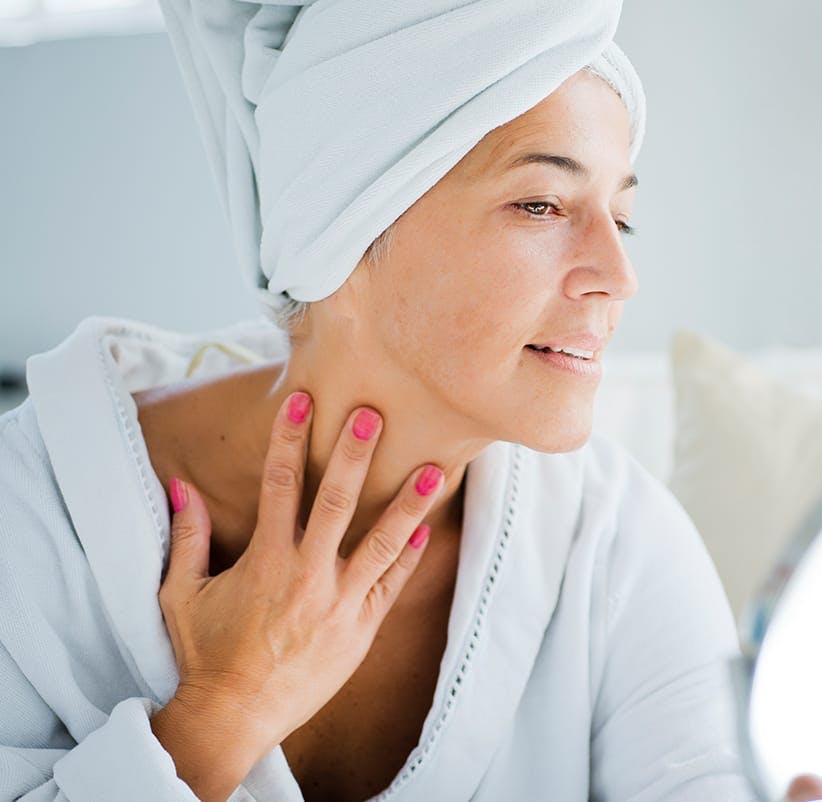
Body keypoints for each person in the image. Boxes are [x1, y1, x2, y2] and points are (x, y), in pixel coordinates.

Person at [0, 1, 759, 800]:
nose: (619, 274)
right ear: (344, 236)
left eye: (622, 218)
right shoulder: (31, 524)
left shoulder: (615, 540)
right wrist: (212, 724)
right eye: (541, 205)